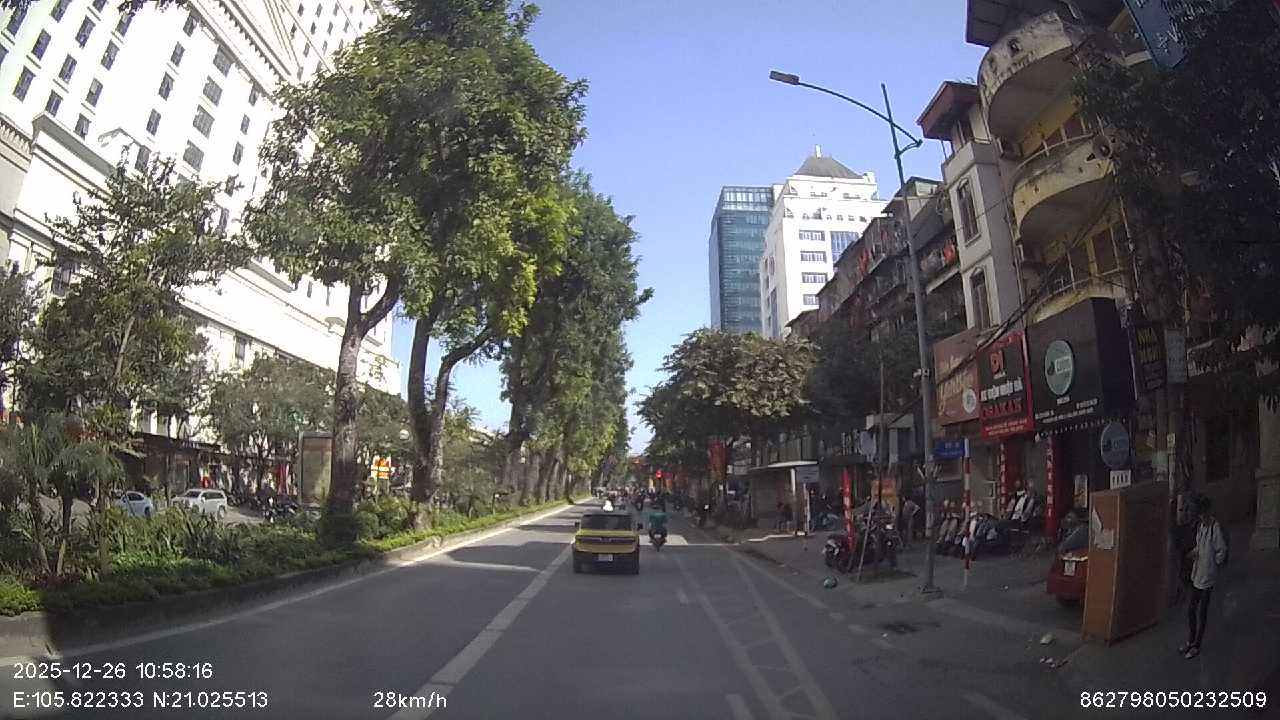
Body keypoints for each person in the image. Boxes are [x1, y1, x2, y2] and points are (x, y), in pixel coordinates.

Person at [1181, 496, 1228, 659]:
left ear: (1208, 512)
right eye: (1200, 515)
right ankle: (1190, 640)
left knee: (1202, 612)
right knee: (1191, 609)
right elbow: (1200, 546)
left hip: (1208, 576)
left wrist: (1214, 563)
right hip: (1198, 573)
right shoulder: (1201, 527)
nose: (1202, 518)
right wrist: (1194, 553)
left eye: (1203, 514)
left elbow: (1221, 549)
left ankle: (1197, 645)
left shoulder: (1215, 527)